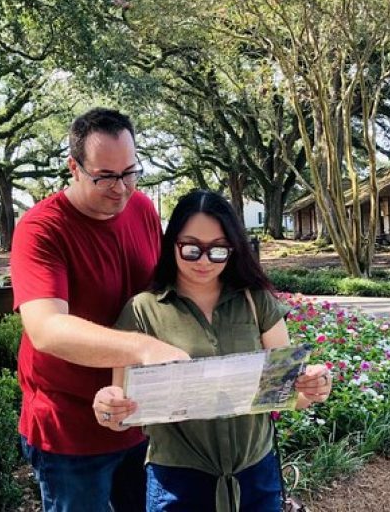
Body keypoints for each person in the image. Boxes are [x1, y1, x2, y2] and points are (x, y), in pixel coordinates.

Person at [92, 190, 333, 512]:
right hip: (177, 483)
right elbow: (120, 415)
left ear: (233, 249)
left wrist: (314, 388)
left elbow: (289, 393)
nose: (204, 261)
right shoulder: (143, 310)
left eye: (218, 251)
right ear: (172, 244)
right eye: (191, 249)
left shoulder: (255, 301)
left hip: (256, 476)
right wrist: (109, 407)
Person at [11, 107, 190, 512]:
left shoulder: (142, 208)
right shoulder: (42, 228)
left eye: (130, 172)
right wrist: (144, 349)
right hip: (70, 432)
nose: (121, 188)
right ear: (74, 168)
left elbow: (164, 293)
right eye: (105, 176)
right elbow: (46, 329)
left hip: (138, 417)